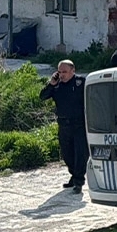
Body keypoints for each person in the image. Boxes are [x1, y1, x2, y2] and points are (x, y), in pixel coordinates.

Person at [40, 60, 88, 195]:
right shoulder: (56, 85)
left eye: (64, 72)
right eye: (59, 72)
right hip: (64, 124)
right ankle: (74, 175)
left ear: (73, 71)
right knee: (67, 154)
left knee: (80, 154)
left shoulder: (81, 83)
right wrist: (51, 84)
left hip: (79, 124)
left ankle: (79, 182)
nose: (61, 75)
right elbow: (42, 96)